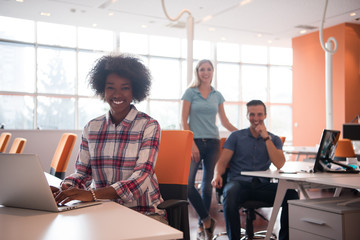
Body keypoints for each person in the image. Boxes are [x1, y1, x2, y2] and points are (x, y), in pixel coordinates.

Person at [51, 54, 166, 223]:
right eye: (110, 87)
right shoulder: (92, 127)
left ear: (134, 90)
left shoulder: (149, 126)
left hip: (143, 213)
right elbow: (83, 172)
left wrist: (92, 194)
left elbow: (140, 179)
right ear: (102, 90)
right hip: (102, 210)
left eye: (125, 88)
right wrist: (66, 188)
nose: (117, 94)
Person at [211, 100, 299, 240]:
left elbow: (279, 164)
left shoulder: (274, 139)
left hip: (261, 185)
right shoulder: (236, 137)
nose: (256, 118)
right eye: (252, 114)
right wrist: (217, 175)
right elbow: (222, 162)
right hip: (239, 184)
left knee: (291, 195)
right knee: (230, 193)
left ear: (265, 115)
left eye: (259, 114)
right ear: (247, 116)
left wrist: (265, 137)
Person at [181, 59, 237, 240]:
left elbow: (225, 122)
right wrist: (191, 144)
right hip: (195, 141)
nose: (205, 72)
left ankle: (201, 225)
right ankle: (206, 219)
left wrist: (243, 132)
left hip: (213, 143)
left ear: (213, 72)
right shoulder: (190, 93)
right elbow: (184, 121)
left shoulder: (217, 95)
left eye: (209, 69)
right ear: (197, 72)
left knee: (206, 186)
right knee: (188, 186)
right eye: (202, 69)